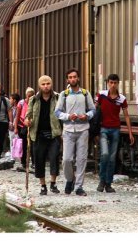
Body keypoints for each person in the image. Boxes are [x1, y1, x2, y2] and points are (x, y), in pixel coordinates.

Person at [55, 68, 95, 196]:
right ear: (67, 80)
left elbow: (93, 110)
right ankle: (70, 179)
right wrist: (68, 116)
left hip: (83, 130)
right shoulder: (64, 94)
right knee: (66, 159)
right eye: (70, 77)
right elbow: (57, 112)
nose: (72, 79)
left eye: (74, 77)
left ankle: (79, 187)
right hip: (68, 130)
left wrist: (87, 116)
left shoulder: (85, 93)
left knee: (81, 159)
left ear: (78, 78)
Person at [95, 74, 134, 193]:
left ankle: (108, 183)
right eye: (111, 83)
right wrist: (93, 128)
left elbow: (126, 116)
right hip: (103, 128)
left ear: (118, 84)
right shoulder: (101, 95)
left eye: (115, 83)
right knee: (105, 154)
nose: (113, 85)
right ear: (107, 83)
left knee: (112, 158)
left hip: (115, 129)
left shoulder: (121, 99)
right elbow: (94, 110)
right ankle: (102, 180)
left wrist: (130, 133)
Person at [25, 75, 62, 196]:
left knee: (54, 158)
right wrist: (27, 121)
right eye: (43, 84)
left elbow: (63, 114)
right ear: (39, 86)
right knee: (39, 160)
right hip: (38, 134)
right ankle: (43, 185)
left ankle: (53, 183)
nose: (46, 86)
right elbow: (28, 115)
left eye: (48, 84)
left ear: (51, 84)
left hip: (54, 133)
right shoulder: (33, 99)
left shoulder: (58, 98)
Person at [14, 87, 34, 171]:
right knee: (24, 145)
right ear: (26, 95)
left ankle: (33, 163)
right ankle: (23, 163)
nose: (30, 97)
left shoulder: (35, 102)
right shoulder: (21, 103)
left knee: (32, 145)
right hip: (22, 126)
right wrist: (15, 127)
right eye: (28, 96)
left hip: (32, 126)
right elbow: (17, 116)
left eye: (31, 96)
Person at [8, 93, 21, 158]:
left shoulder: (19, 108)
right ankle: (12, 156)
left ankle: (17, 155)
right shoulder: (11, 108)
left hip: (17, 127)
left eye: (10, 99)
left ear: (14, 100)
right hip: (11, 127)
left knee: (18, 140)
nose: (9, 100)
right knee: (11, 141)